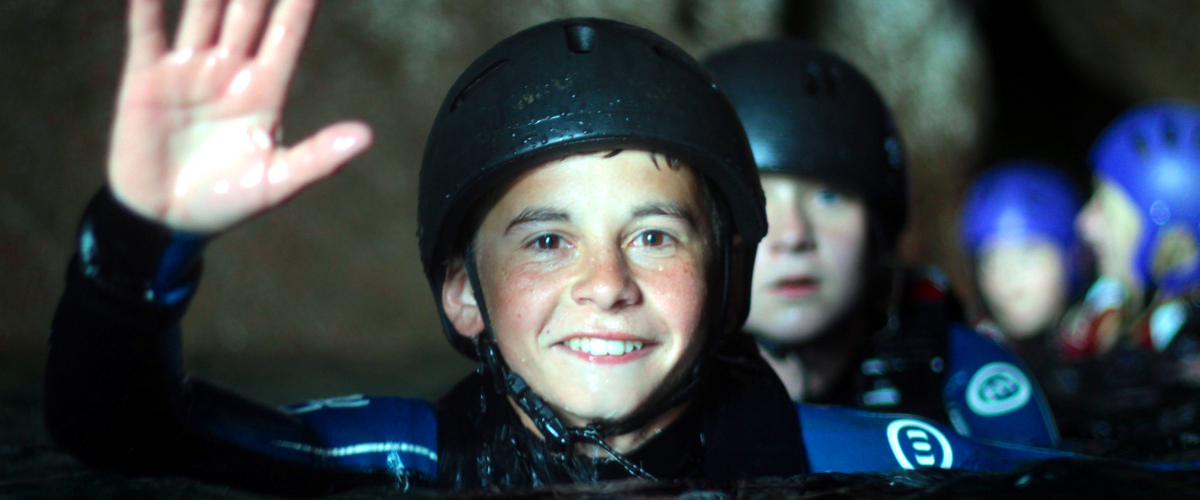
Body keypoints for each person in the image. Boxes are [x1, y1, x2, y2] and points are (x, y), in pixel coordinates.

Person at [44, 1, 1117, 495]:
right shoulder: (414, 459)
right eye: (549, 239)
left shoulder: (846, 457)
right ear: (463, 295)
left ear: (724, 282)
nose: (606, 285)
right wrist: (142, 234)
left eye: (653, 234)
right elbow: (124, 429)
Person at [704, 40, 1059, 449]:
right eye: (756, 201)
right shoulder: (659, 376)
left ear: (878, 227)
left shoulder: (960, 369)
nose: (794, 236)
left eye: (829, 197)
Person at [1052, 102, 1200, 451]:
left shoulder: (1185, 358)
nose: (1084, 223)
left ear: (1165, 238)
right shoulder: (1105, 308)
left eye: (1103, 206)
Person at [959, 162, 1087, 342]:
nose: (1008, 282)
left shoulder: (1108, 349)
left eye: (1027, 255)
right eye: (990, 260)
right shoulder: (973, 349)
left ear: (1072, 258)